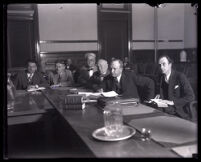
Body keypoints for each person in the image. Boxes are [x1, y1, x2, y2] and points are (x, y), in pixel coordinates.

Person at [155, 55, 195, 119]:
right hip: (165, 109)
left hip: (179, 111)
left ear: (170, 65)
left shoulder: (180, 76)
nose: (161, 67)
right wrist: (158, 94)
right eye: (160, 65)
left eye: (163, 64)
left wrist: (173, 102)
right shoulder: (161, 77)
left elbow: (191, 96)